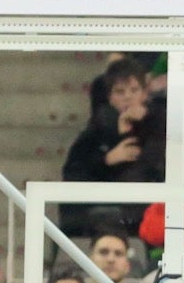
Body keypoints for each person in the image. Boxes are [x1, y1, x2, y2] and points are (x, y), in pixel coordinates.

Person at [62, 60, 167, 239]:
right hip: (105, 209)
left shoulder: (161, 123)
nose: (128, 97)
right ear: (110, 97)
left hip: (148, 207)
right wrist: (107, 159)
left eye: (134, 90)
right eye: (120, 92)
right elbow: (73, 171)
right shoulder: (97, 128)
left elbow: (157, 165)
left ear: (144, 93)